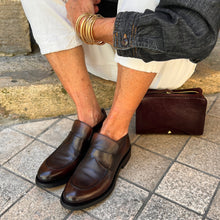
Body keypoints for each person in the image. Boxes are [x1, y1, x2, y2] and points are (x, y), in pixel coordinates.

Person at [20, 0, 220, 210]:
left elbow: (195, 32)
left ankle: (115, 131)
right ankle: (89, 117)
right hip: (96, 49)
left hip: (162, 60)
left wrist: (88, 25)